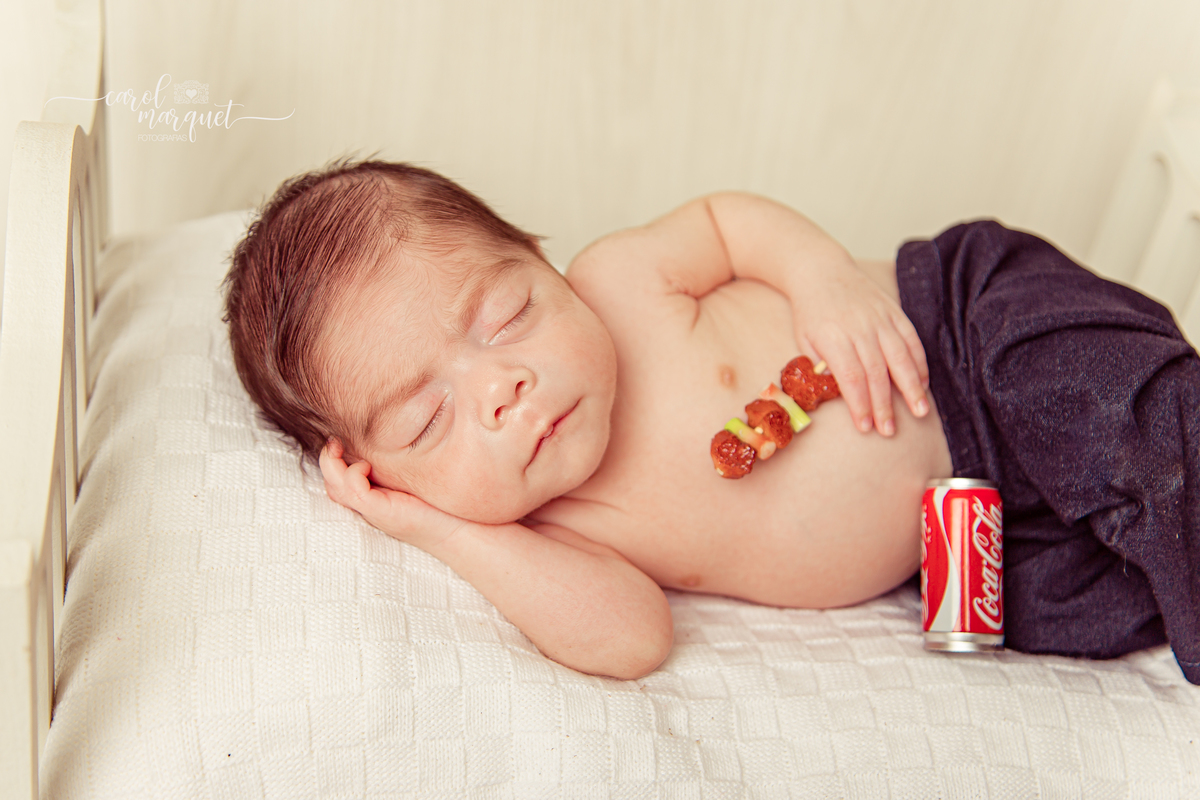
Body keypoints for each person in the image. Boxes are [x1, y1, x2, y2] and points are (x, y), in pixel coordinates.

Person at [223, 160, 1200, 683]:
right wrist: (437, 528)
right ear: (386, 476)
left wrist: (821, 277)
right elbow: (629, 637)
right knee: (1075, 614)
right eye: (430, 419)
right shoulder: (550, 531)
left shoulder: (618, 280)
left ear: (540, 256)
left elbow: (731, 223)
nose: (503, 386)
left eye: (508, 314)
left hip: (956, 330)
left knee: (1113, 419)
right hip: (961, 536)